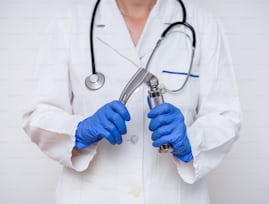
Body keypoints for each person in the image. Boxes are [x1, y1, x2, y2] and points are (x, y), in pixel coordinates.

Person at [22, 0, 242, 203]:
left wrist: (190, 144)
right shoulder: (68, 25)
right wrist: (79, 131)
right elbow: (39, 114)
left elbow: (225, 117)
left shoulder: (204, 25)